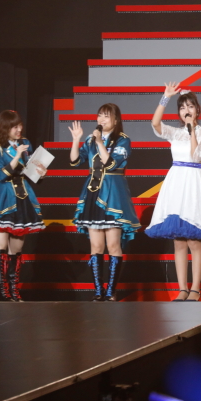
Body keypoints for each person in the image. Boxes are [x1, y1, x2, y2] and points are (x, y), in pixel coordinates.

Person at [145, 82, 201, 301]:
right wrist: (165, 97)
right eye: (182, 107)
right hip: (176, 184)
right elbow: (155, 123)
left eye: (190, 106)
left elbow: (197, 156)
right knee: (178, 241)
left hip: (193, 185)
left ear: (197, 109)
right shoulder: (174, 132)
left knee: (194, 240)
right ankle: (182, 289)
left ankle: (195, 289)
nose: (186, 110)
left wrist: (191, 132)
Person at [0, 110, 47, 301]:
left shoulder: (25, 143)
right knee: (0, 245)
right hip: (2, 197)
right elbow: (0, 175)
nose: (19, 129)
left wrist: (40, 172)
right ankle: (3, 292)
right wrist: (17, 156)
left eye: (20, 125)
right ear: (5, 127)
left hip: (22, 197)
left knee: (17, 248)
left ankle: (14, 290)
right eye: (14, 127)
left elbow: (32, 175)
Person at [69, 104, 141, 302]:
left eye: (106, 116)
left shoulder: (123, 140)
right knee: (96, 245)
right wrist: (76, 140)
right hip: (93, 193)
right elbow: (75, 161)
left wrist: (100, 142)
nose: (101, 119)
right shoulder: (90, 139)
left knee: (113, 244)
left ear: (116, 120)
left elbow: (111, 164)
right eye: (100, 115)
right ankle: (98, 291)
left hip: (114, 194)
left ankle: (111, 291)